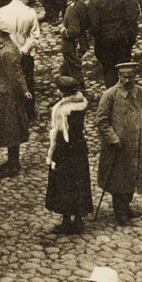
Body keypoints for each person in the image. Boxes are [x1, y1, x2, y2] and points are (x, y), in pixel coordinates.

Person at [96, 63, 142, 225]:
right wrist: (112, 138)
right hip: (118, 146)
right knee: (119, 178)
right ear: (119, 76)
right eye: (124, 77)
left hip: (135, 144)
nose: (127, 80)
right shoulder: (110, 95)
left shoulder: (140, 92)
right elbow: (101, 120)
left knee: (132, 175)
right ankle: (119, 211)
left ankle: (126, 206)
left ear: (135, 77)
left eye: (130, 77)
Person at [44, 74, 92, 234]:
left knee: (64, 184)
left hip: (65, 149)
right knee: (79, 182)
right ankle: (78, 219)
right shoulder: (81, 104)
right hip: (79, 147)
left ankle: (66, 220)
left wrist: (54, 154)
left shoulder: (63, 110)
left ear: (63, 92)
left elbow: (61, 133)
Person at [0, 24, 30, 177]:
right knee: (10, 129)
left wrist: (23, 91)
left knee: (11, 130)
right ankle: (12, 161)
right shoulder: (6, 47)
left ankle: (13, 165)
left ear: (0, 33)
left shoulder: (8, 52)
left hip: (7, 98)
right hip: (6, 95)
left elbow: (15, 76)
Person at [87, 0, 137, 89]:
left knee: (109, 70)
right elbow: (127, 19)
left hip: (105, 42)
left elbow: (94, 26)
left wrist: (97, 41)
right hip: (121, 39)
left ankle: (113, 95)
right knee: (124, 68)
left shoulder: (94, 1)